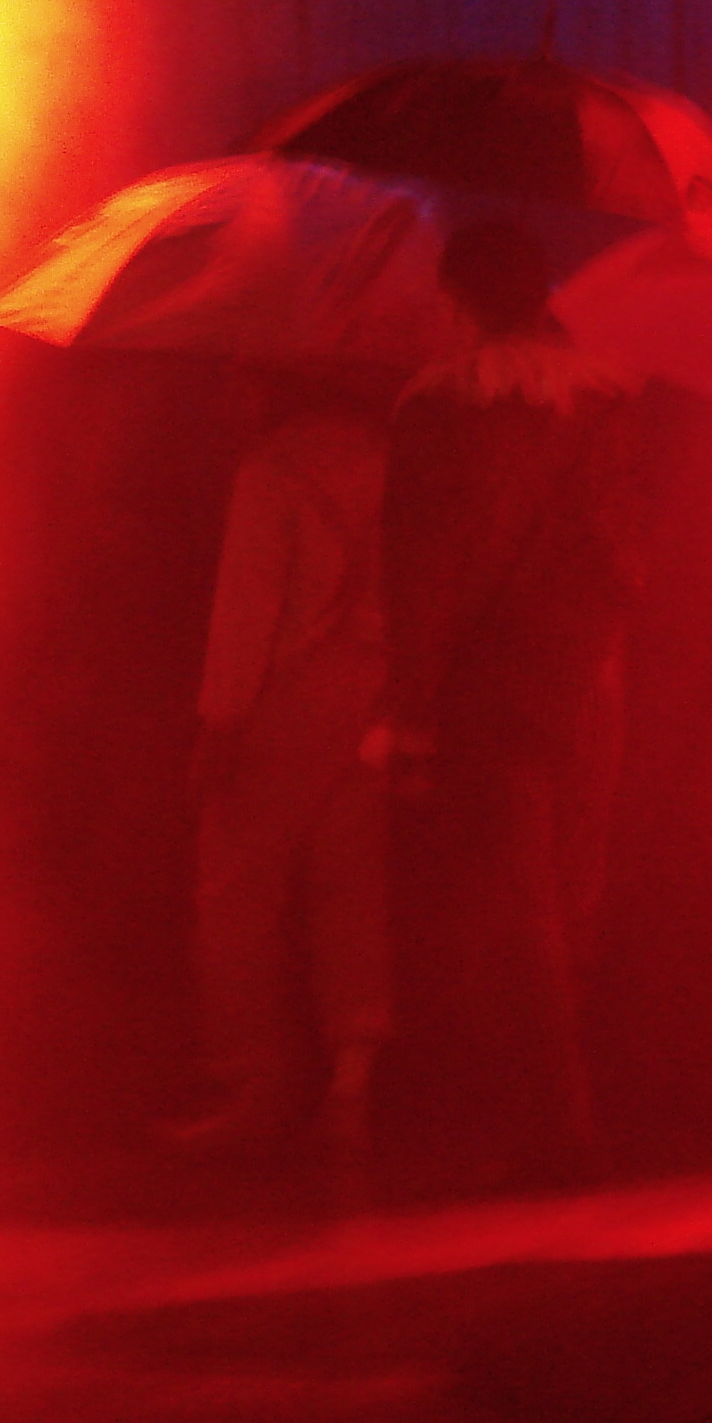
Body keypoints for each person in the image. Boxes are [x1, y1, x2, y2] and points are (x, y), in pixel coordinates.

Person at [366, 218, 648, 1192]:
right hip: (589, 678)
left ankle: (553, 1131)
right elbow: (627, 557)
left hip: (489, 688)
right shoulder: (607, 402)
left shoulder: (441, 410)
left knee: (512, 914)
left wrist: (407, 709)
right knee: (570, 901)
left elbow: (425, 572)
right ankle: (562, 1120)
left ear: (458, 300)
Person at [173, 376, 392, 1157]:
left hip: (286, 697)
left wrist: (220, 724)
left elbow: (247, 609)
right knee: (351, 885)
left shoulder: (270, 473)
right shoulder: (393, 459)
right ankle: (353, 1082)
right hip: (371, 693)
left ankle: (254, 1085)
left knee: (237, 892)